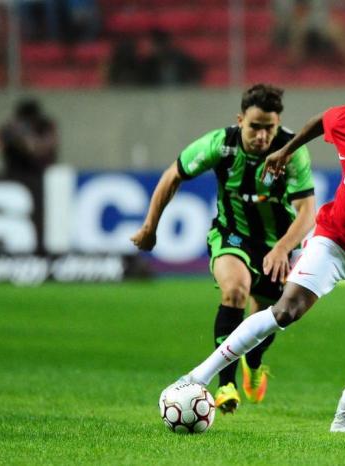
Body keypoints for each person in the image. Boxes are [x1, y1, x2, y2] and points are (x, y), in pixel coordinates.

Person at [175, 67, 345, 432]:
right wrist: (286, 150)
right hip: (334, 238)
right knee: (285, 310)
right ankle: (196, 377)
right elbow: (322, 121)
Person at [131, 84, 316, 414]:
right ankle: (225, 385)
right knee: (234, 291)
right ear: (240, 119)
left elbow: (307, 211)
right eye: (254, 127)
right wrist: (149, 227)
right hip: (232, 235)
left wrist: (283, 248)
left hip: (279, 243)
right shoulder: (221, 144)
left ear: (278, 124)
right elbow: (173, 175)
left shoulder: (292, 150)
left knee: (271, 316)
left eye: (268, 128)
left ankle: (255, 364)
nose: (261, 136)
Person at [0, 98, 58, 180]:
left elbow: (38, 150)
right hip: (15, 174)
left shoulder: (45, 126)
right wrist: (9, 133)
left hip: (40, 174)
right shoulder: (12, 128)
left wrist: (24, 138)